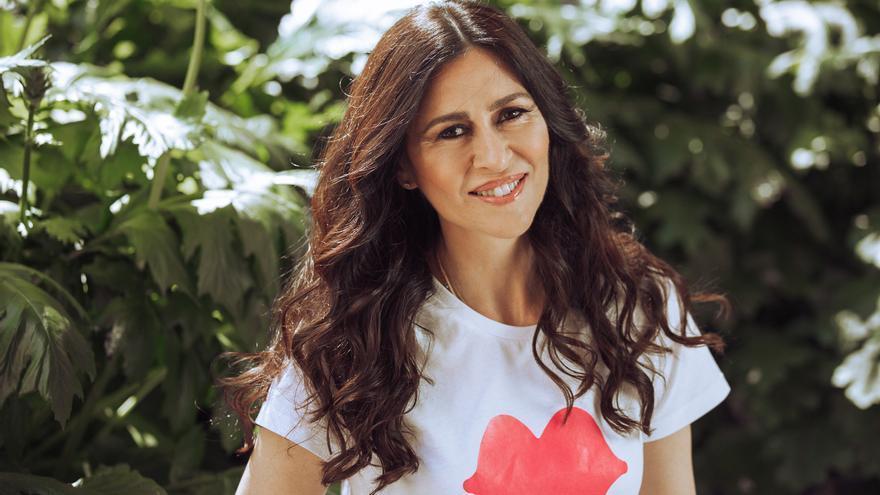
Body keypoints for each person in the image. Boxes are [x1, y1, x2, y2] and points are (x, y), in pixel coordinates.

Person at [224, 1, 731, 494]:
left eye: (511, 114)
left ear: (548, 121)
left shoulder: (638, 304)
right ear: (403, 166)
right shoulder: (350, 341)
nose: (492, 156)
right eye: (452, 131)